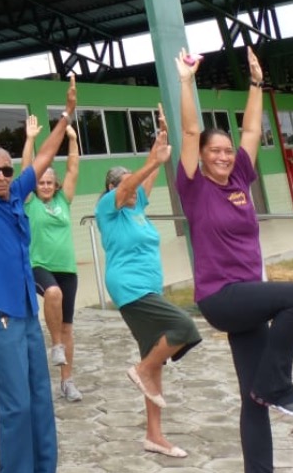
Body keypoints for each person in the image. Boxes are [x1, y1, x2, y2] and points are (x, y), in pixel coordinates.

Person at [175, 47, 293, 472]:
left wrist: (256, 82)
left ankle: (264, 413)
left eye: (226, 150)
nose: (222, 155)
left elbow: (252, 129)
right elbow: (190, 129)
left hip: (247, 297)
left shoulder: (239, 176)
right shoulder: (193, 185)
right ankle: (276, 384)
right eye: (213, 151)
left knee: (252, 399)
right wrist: (185, 81)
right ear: (201, 156)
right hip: (221, 296)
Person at [0, 54, 74, 473]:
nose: (2, 176)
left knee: (40, 397)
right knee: (16, 404)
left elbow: (42, 159)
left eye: (6, 170)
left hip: (25, 310)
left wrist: (65, 117)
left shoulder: (17, 195)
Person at [94, 109, 201, 459]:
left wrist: (159, 140)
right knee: (183, 326)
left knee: (152, 359)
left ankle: (154, 435)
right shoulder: (107, 208)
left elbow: (146, 176)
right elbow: (130, 183)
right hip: (130, 289)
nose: (130, 185)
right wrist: (149, 163)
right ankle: (141, 370)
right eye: (122, 182)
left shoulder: (137, 204)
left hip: (148, 287)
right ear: (110, 188)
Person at [21, 115, 83, 402]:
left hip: (67, 268)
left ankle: (67, 381)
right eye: (41, 182)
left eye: (49, 182)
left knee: (69, 326)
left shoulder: (62, 201)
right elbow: (25, 170)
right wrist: (31, 139)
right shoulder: (30, 202)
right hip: (39, 266)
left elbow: (72, 169)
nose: (45, 186)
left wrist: (71, 139)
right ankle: (55, 345)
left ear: (55, 186)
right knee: (53, 294)